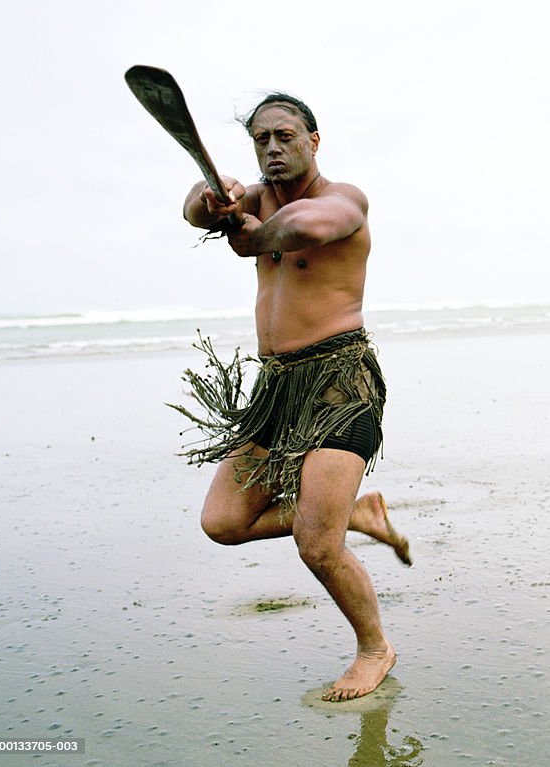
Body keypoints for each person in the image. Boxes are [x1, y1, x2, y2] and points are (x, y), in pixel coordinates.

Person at [176, 92, 410, 702]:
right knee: (223, 522)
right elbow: (193, 214)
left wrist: (255, 236)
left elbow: (308, 227)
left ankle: (374, 649)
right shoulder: (250, 197)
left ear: (313, 139)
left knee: (316, 546)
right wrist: (212, 199)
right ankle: (357, 512)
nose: (273, 149)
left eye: (285, 136)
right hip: (276, 389)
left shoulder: (344, 199)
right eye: (261, 140)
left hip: (339, 383)